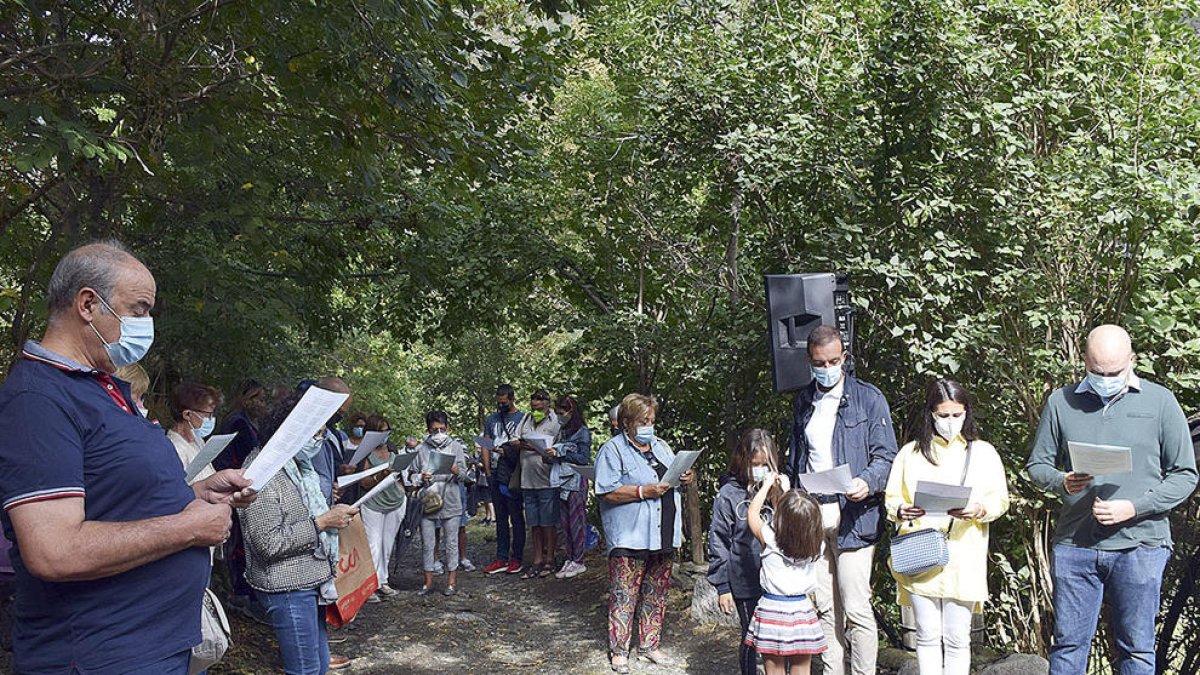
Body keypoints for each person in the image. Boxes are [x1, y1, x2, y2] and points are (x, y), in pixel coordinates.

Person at [0, 241, 255, 674]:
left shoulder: (101, 387)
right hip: (100, 655)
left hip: (149, 647)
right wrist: (188, 526)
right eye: (138, 309)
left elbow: (114, 493)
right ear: (87, 304)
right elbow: (53, 551)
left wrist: (195, 493)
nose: (146, 324)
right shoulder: (37, 399)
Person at [1025, 325, 1198, 675]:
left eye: (1115, 371)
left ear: (1132, 360)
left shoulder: (1160, 401)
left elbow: (1185, 475)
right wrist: (1063, 482)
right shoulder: (1062, 401)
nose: (1106, 378)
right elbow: (1037, 466)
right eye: (1098, 371)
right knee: (1068, 645)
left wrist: (1134, 507)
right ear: (1084, 362)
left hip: (1142, 545)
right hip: (1076, 544)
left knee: (1136, 648)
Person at [786, 325, 898, 675]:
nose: (828, 367)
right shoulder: (804, 401)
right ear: (810, 361)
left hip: (855, 514)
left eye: (835, 360)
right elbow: (796, 462)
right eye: (821, 362)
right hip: (814, 514)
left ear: (844, 358)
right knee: (825, 608)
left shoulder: (869, 398)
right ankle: (834, 670)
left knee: (856, 607)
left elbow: (886, 457)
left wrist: (867, 482)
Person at [886, 379, 1010, 675]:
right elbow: (892, 499)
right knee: (925, 635)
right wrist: (901, 509)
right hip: (921, 552)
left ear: (967, 413)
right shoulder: (910, 453)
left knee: (957, 637)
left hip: (963, 554)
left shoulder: (983, 453)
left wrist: (979, 509)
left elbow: (1000, 500)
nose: (951, 421)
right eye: (944, 415)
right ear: (931, 413)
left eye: (957, 414)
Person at [239, 391, 359, 673]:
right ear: (291, 430)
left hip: (309, 581)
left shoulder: (296, 465)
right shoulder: (261, 471)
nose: (318, 441)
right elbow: (267, 543)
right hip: (287, 587)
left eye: (322, 433)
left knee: (316, 666)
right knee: (304, 670)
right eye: (314, 433)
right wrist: (323, 522)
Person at [595, 393, 694, 674]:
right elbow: (606, 490)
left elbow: (673, 475)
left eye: (651, 420)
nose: (649, 425)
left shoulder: (661, 446)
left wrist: (687, 476)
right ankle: (619, 651)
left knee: (657, 591)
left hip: (662, 532)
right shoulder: (612, 450)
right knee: (624, 594)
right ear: (626, 422)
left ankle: (650, 645)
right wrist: (642, 491)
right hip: (630, 535)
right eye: (643, 421)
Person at [708, 429, 781, 675]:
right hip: (744, 579)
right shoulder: (729, 494)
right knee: (751, 636)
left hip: (775, 580)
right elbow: (719, 541)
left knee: (779, 639)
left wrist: (779, 493)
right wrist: (723, 587)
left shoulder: (776, 492)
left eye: (765, 464)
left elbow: (791, 532)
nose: (759, 469)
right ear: (743, 460)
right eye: (755, 464)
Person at [744, 471, 827, 675]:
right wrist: (789, 491)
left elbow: (752, 514)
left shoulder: (770, 539)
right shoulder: (816, 545)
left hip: (772, 610)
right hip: (801, 610)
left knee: (774, 671)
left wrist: (766, 485)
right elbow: (799, 518)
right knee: (801, 670)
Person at [215, 378, 269, 620]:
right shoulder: (237, 423)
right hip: (234, 487)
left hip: (241, 486)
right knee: (239, 543)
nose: (261, 403)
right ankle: (241, 592)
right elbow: (244, 455)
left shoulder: (248, 422)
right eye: (257, 398)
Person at [409, 410, 468, 596]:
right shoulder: (421, 449)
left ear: (447, 427)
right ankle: (428, 582)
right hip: (429, 499)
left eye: (442, 428)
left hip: (451, 498)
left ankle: (451, 581)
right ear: (428, 429)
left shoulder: (456, 446)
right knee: (428, 542)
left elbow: (464, 474)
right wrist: (421, 476)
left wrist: (456, 470)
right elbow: (411, 475)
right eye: (435, 429)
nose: (439, 432)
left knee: (451, 542)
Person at [513, 389, 561, 578]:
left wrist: (542, 448)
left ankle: (550, 558)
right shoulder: (526, 420)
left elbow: (558, 446)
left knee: (548, 522)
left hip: (547, 479)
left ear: (548, 406)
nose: (536, 411)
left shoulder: (555, 422)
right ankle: (537, 559)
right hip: (527, 479)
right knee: (533, 522)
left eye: (539, 408)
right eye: (533, 408)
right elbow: (515, 440)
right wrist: (523, 444)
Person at [357, 415, 406, 602]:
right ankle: (369, 586)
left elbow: (402, 475)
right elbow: (363, 482)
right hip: (373, 503)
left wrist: (403, 489)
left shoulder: (392, 449)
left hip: (395, 501)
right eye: (380, 431)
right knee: (373, 546)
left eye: (387, 430)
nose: (384, 435)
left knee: (387, 544)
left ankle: (382, 581)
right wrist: (382, 474)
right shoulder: (365, 453)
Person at [482, 384, 527, 575]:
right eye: (498, 403)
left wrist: (507, 450)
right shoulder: (491, 419)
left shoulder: (522, 418)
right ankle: (501, 557)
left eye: (504, 402)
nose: (501, 406)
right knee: (500, 518)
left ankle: (516, 558)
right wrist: (487, 471)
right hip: (494, 473)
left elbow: (525, 444)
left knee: (516, 517)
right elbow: (485, 443)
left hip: (511, 473)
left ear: (512, 399)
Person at [550, 395, 593, 579]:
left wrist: (560, 452)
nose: (560, 416)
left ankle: (579, 559)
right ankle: (570, 557)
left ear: (571, 411)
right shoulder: (561, 431)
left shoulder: (582, 432)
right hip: (562, 480)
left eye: (562, 412)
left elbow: (583, 458)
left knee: (577, 520)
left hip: (576, 480)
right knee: (565, 522)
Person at [167, 382, 223, 485]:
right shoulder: (175, 450)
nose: (211, 419)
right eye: (208, 415)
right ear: (187, 414)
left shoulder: (197, 440)